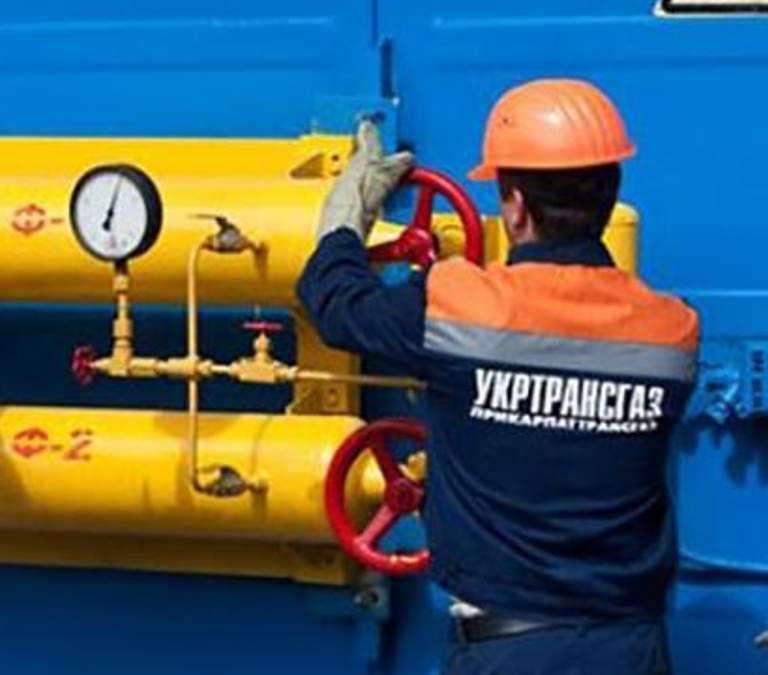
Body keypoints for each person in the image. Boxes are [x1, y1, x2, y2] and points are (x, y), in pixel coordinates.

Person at [297, 79, 698, 674]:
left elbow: (333, 304)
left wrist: (345, 218)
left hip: (509, 653)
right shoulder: (671, 331)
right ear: (611, 195)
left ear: (514, 205)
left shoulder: (458, 307)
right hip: (632, 651)